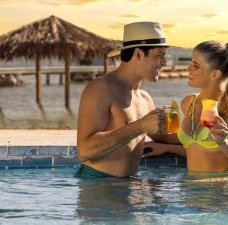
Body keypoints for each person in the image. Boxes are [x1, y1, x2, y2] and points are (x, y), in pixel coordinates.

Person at [75, 21, 174, 178]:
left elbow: (164, 137)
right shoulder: (100, 88)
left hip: (129, 187)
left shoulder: (145, 98)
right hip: (98, 188)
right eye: (160, 56)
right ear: (138, 54)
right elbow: (84, 151)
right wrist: (140, 127)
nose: (165, 63)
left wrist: (208, 132)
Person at [143, 40, 228, 173]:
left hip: (222, 191)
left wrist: (223, 143)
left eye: (195, 66)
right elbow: (195, 146)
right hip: (190, 190)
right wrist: (149, 130)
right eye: (190, 62)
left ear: (215, 74)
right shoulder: (188, 103)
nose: (188, 69)